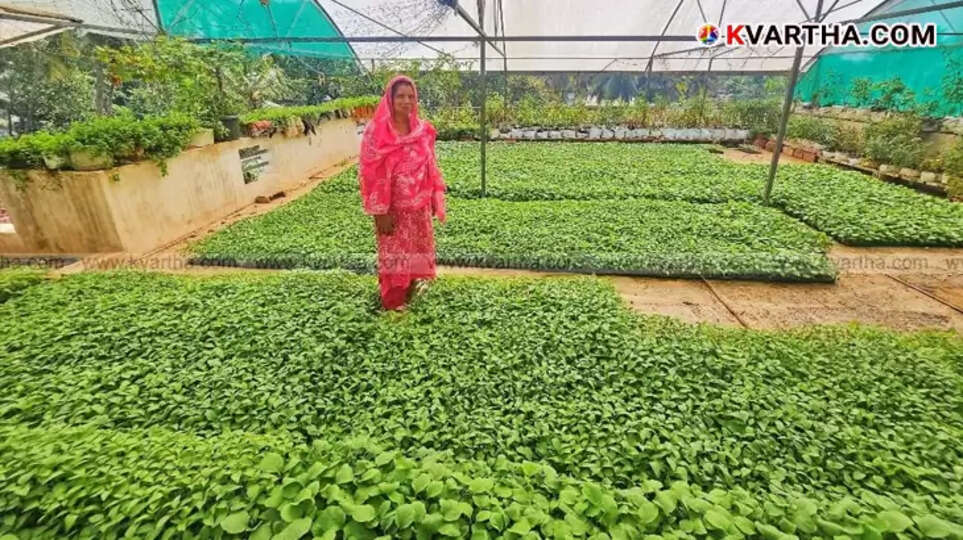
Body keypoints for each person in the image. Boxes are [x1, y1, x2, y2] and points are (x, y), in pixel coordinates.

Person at [359, 75, 447, 311]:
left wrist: (431, 197)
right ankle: (394, 302)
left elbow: (430, 164)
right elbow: (370, 174)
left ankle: (411, 289)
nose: (406, 101)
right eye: (400, 96)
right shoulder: (375, 133)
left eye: (411, 96)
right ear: (390, 99)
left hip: (418, 208)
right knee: (395, 254)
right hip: (393, 210)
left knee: (417, 249)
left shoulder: (421, 130)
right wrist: (380, 212)